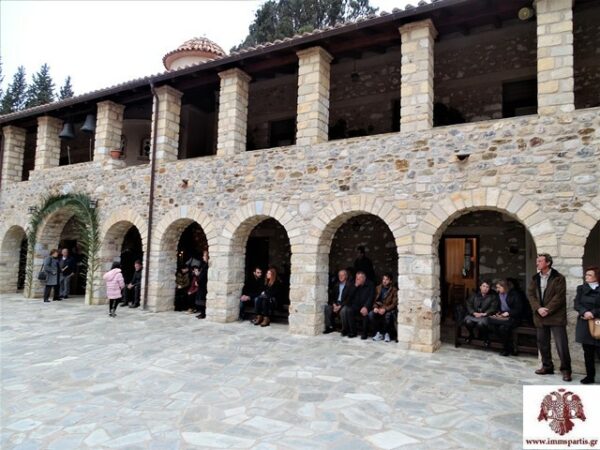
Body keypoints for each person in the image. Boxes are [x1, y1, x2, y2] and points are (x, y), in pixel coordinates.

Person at [527, 253, 572, 382]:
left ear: (548, 263)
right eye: (537, 261)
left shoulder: (559, 278)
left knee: (561, 345)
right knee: (543, 344)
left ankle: (566, 370)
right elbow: (531, 295)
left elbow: (559, 297)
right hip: (540, 316)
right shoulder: (535, 278)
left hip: (556, 316)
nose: (537, 263)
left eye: (540, 261)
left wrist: (547, 309)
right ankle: (547, 367)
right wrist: (538, 308)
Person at [573, 266, 600, 384]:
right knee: (587, 351)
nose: (586, 276)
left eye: (589, 275)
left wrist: (593, 313)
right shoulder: (581, 288)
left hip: (598, 322)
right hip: (585, 323)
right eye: (586, 274)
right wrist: (584, 312)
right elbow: (577, 304)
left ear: (597, 276)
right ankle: (590, 376)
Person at [488, 279, 523, 356]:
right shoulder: (499, 295)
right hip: (503, 317)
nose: (497, 289)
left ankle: (506, 348)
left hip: (514, 317)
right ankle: (508, 346)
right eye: (497, 288)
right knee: (493, 325)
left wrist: (509, 313)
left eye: (499, 287)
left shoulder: (514, 294)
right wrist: (498, 313)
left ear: (504, 287)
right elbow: (498, 307)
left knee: (503, 328)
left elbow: (519, 309)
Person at [341, 271, 375, 339]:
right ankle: (353, 332)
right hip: (356, 305)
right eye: (356, 278)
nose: (357, 280)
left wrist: (366, 307)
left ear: (364, 278)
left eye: (359, 278)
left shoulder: (370, 285)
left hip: (366, 305)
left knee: (365, 313)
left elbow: (371, 297)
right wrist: (355, 287)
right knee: (349, 310)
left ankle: (364, 333)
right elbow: (349, 297)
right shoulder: (354, 284)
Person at [463, 280, 498, 346]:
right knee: (468, 322)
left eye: (487, 287)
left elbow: (493, 307)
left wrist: (485, 314)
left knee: (480, 324)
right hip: (474, 315)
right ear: (480, 287)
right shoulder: (474, 294)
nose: (485, 288)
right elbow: (468, 304)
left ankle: (486, 338)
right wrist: (473, 312)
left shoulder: (493, 296)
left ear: (489, 288)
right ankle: (471, 335)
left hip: (485, 316)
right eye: (483, 286)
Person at [370, 273, 398, 343]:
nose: (384, 281)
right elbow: (374, 300)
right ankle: (378, 333)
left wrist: (385, 309)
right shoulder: (378, 288)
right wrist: (375, 307)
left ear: (390, 281)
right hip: (379, 307)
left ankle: (386, 333)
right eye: (383, 279)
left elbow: (394, 303)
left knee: (387, 315)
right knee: (371, 314)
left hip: (388, 308)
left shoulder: (394, 290)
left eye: (387, 279)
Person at [324, 269, 349, 334]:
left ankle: (345, 329)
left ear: (346, 276)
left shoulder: (349, 285)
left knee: (344, 310)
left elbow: (349, 299)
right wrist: (334, 304)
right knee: (327, 308)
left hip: (344, 304)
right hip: (336, 303)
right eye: (339, 275)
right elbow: (332, 297)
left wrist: (340, 306)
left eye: (342, 275)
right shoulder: (336, 285)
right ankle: (329, 327)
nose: (340, 277)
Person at [195, 250, 209, 319]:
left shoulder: (207, 265)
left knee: (202, 299)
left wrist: (198, 282)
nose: (203, 257)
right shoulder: (204, 265)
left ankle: (203, 314)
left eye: (204, 256)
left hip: (203, 285)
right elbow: (201, 274)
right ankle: (201, 313)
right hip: (201, 284)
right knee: (200, 299)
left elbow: (204, 275)